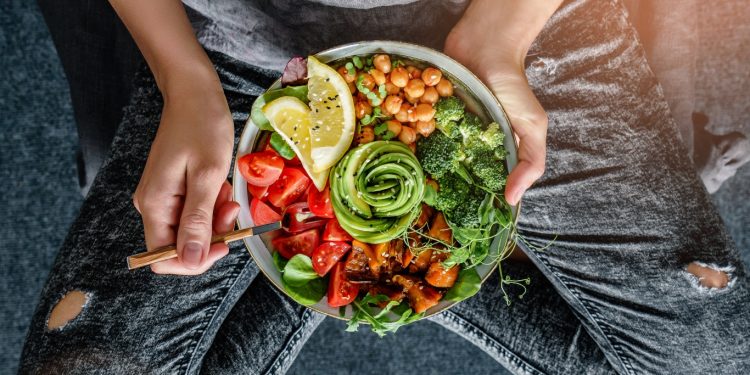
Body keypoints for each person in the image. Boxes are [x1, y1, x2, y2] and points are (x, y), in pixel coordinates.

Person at [20, 0, 750, 374]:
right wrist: (180, 74)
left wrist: (503, 29)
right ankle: (383, 274)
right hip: (238, 62)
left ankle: (389, 275)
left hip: (527, 35)